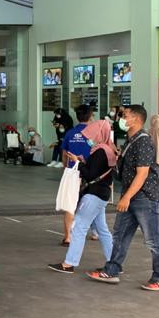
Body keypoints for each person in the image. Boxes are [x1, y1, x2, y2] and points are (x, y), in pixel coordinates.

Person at [87, 105, 159, 291]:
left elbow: (142, 174)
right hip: (130, 196)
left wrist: (126, 198)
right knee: (120, 236)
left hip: (143, 198)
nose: (121, 119)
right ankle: (112, 270)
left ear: (136, 119)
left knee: (152, 240)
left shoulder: (142, 142)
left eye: (125, 116)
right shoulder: (131, 141)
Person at [48, 119, 116, 274]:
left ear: (99, 134)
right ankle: (114, 262)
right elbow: (97, 170)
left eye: (91, 135)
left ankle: (69, 263)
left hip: (94, 194)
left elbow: (90, 174)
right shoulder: (108, 149)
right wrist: (82, 161)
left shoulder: (100, 152)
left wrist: (77, 163)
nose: (89, 139)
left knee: (79, 227)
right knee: (102, 229)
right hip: (102, 193)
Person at [58, 105, 93, 246]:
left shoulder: (70, 133)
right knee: (92, 203)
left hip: (73, 173)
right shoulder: (93, 134)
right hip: (89, 172)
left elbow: (64, 153)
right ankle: (95, 232)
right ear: (90, 116)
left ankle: (67, 237)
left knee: (70, 205)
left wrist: (65, 166)